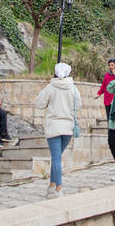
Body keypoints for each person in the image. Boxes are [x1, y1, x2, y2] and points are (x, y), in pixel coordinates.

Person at [34, 62, 81, 197]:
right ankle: (51, 185)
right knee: (57, 157)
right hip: (68, 127)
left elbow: (39, 103)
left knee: (56, 158)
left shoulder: (51, 87)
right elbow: (79, 105)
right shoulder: (73, 88)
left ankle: (59, 188)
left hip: (54, 126)